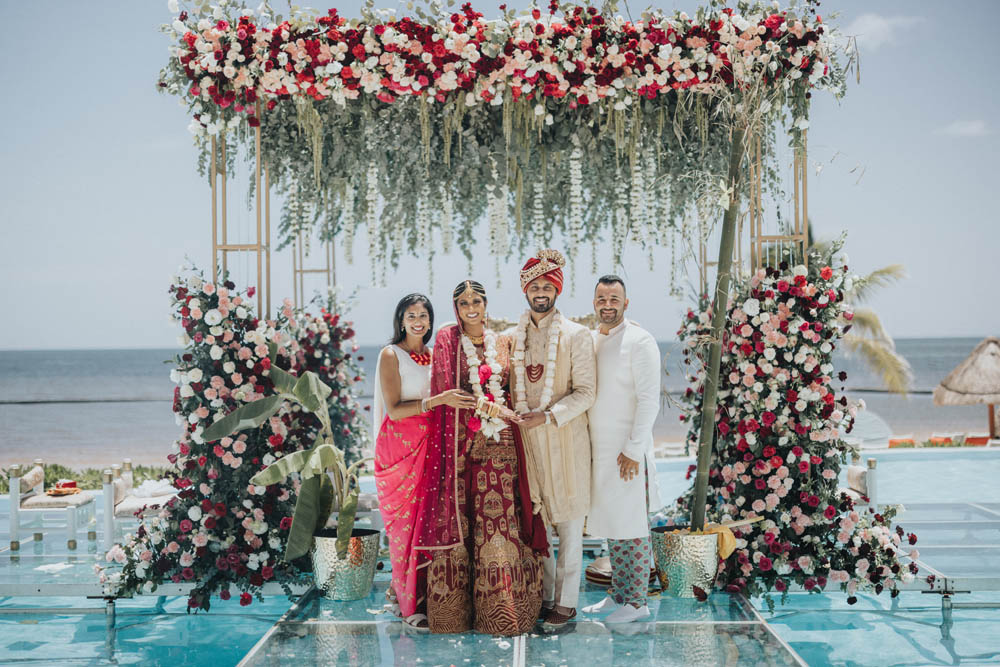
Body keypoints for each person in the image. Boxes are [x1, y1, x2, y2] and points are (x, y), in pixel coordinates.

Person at [418, 280, 548, 636]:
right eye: (462, 303)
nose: (470, 307)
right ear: (456, 308)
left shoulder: (502, 341)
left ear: (486, 303)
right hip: (462, 448)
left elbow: (511, 389)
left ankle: (504, 611)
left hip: (503, 445)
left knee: (501, 525)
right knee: (465, 526)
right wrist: (481, 405)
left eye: (476, 300)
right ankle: (453, 616)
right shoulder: (447, 339)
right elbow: (446, 390)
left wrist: (506, 412)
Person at [373, 293, 477, 631]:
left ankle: (412, 595)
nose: (418, 321)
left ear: (431, 321)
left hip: (430, 447)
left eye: (423, 315)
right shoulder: (392, 355)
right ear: (400, 320)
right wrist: (438, 400)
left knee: (425, 523)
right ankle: (407, 608)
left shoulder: (433, 356)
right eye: (411, 315)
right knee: (403, 529)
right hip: (400, 449)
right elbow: (394, 409)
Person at [508, 249, 596, 630]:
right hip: (529, 446)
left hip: (565, 440)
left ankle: (568, 602)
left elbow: (587, 392)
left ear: (557, 290)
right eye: (534, 286)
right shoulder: (513, 338)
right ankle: (544, 597)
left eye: (547, 285)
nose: (540, 292)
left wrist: (548, 414)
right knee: (537, 522)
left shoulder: (576, 335)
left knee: (571, 525)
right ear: (526, 290)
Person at [582, 275, 663, 623]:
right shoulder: (592, 340)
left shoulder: (640, 340)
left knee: (631, 525)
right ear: (594, 302)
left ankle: (636, 602)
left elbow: (649, 400)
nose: (608, 304)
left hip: (627, 452)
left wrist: (633, 449)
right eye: (602, 298)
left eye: (614, 298)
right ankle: (618, 594)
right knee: (612, 524)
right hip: (600, 450)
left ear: (626, 303)